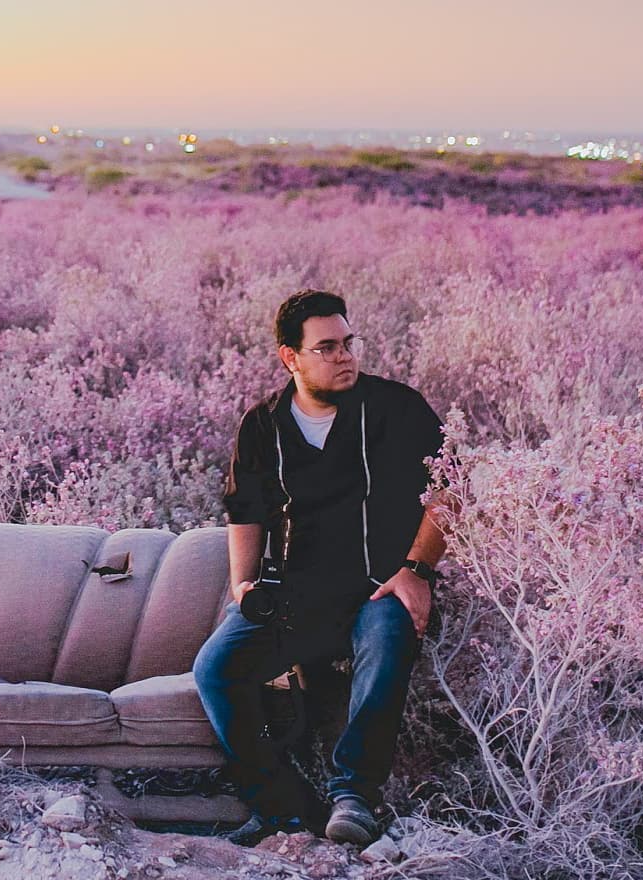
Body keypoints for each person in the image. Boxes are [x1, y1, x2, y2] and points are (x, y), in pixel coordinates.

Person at [193, 289, 446, 847]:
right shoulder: (262, 425)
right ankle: (282, 807)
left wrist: (416, 570)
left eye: (349, 343)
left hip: (380, 587)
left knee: (387, 638)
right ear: (291, 357)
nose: (345, 356)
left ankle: (354, 795)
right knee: (216, 668)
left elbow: (451, 490)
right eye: (327, 347)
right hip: (297, 596)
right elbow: (244, 510)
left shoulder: (398, 408)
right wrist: (242, 584)